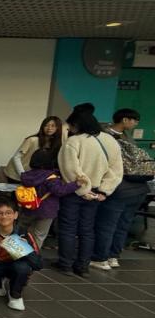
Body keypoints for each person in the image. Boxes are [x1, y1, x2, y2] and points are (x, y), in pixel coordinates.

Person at [55, 103, 123, 276]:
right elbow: (116, 170)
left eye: (71, 126)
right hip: (96, 192)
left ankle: (66, 264)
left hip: (74, 192)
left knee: (68, 228)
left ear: (77, 125)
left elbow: (70, 169)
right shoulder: (110, 141)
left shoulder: (74, 141)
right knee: (87, 230)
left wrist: (83, 190)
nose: (70, 129)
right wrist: (103, 191)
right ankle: (83, 266)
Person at [91, 108, 155, 270]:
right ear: (124, 120)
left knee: (107, 225)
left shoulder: (103, 136)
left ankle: (101, 258)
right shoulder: (128, 139)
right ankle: (113, 257)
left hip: (118, 188)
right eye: (134, 120)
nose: (136, 124)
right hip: (139, 189)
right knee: (122, 225)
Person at [18, 149, 85, 249]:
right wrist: (76, 184)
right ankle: (32, 255)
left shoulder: (26, 175)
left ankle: (18, 253)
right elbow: (60, 190)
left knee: (24, 232)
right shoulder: (51, 177)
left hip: (28, 208)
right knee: (39, 235)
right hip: (46, 211)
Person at [3, 116, 66, 182]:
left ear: (58, 128)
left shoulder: (56, 144)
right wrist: (23, 175)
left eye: (53, 126)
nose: (49, 128)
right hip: (16, 174)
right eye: (46, 125)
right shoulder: (32, 140)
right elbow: (16, 158)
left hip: (32, 176)